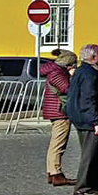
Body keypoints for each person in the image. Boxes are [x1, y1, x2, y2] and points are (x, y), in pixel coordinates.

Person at [65, 44, 98, 195]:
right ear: (93, 57)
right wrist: (97, 122)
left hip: (83, 118)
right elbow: (89, 99)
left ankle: (93, 182)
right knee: (90, 154)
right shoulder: (89, 74)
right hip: (89, 120)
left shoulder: (84, 71)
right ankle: (83, 186)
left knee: (95, 153)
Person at [40, 47, 78, 186]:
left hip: (55, 110)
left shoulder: (53, 70)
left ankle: (52, 172)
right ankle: (56, 173)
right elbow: (67, 89)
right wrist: (73, 76)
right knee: (58, 144)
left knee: (55, 143)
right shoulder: (57, 73)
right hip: (59, 111)